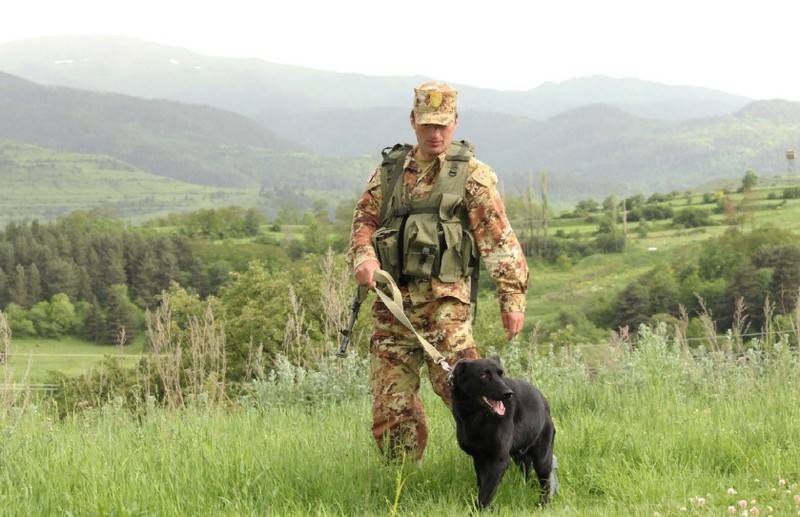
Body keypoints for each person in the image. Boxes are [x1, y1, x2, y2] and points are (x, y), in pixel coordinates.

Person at [347, 80, 528, 461]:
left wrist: (512, 298)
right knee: (390, 407)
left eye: (443, 125)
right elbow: (364, 218)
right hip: (392, 308)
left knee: (479, 401)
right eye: (428, 124)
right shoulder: (390, 171)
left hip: (445, 311)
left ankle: (514, 461)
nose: (436, 133)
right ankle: (402, 481)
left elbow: (499, 240)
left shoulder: (473, 177)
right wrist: (364, 255)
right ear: (413, 121)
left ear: (456, 122)